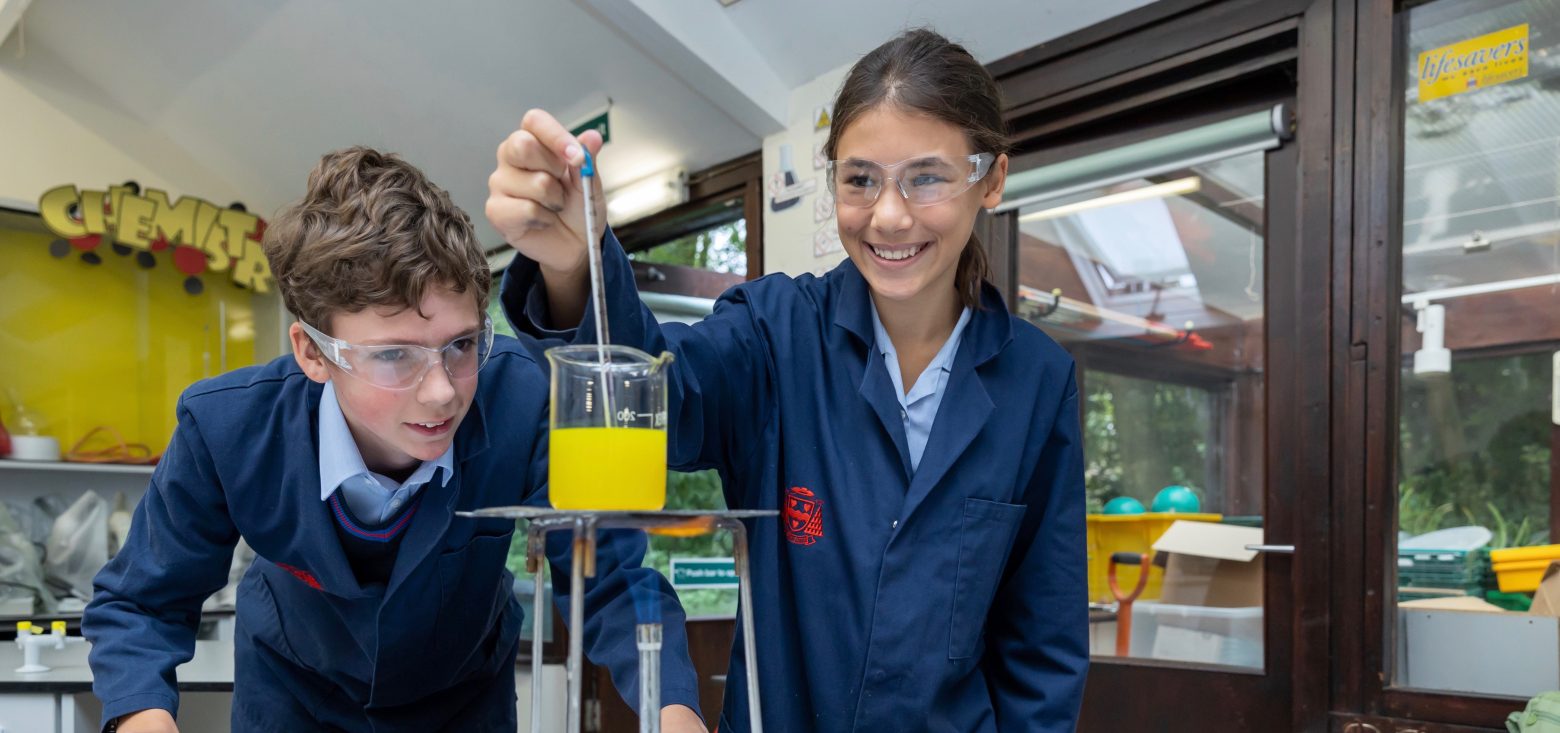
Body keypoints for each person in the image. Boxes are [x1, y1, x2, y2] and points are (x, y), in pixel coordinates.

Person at [486, 28, 1088, 733]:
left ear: (990, 180)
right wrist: (573, 264)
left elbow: (1042, 655)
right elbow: (660, 393)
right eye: (860, 178)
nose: (889, 215)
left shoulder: (1037, 382)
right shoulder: (775, 332)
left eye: (927, 176)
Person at [83, 147, 708, 733]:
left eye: (462, 345)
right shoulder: (226, 428)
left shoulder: (524, 400)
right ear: (313, 352)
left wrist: (674, 707)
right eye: (393, 356)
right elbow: (141, 604)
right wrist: (144, 717)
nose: (440, 392)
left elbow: (607, 576)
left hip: (464, 699)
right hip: (292, 694)